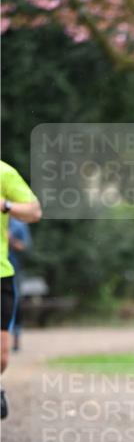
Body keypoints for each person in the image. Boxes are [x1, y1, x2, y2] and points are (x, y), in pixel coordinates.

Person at [1, 160, 42, 420]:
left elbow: (34, 212)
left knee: (2, 357)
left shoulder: (3, 172)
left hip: (0, 272)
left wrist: (5, 205)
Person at [8, 215, 33, 351]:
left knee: (14, 303)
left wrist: (10, 240)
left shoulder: (18, 224)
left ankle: (15, 337)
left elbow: (25, 246)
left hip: (14, 270)